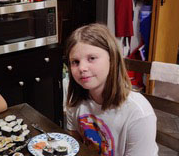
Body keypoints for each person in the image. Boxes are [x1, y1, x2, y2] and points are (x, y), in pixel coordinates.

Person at [65, 23, 158, 155]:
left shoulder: (139, 114)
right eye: (75, 62)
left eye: (91, 58)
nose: (82, 68)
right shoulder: (75, 103)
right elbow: (76, 147)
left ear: (112, 59)